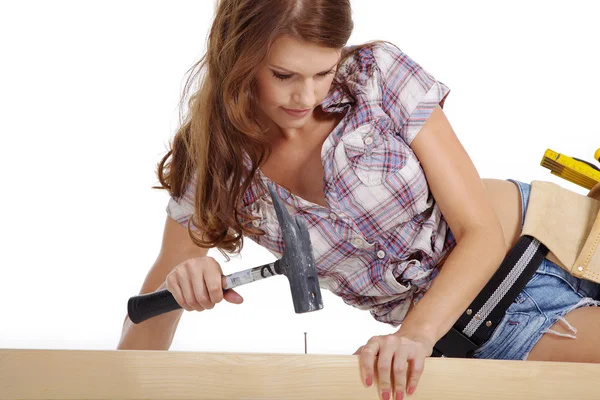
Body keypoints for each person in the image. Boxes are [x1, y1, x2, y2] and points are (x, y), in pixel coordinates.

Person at [117, 0, 600, 399]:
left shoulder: (376, 75)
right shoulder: (210, 166)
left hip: (559, 234)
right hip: (487, 319)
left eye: (323, 72)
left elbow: (479, 231)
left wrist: (412, 336)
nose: (305, 96)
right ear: (236, 58)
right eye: (283, 75)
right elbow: (153, 308)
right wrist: (180, 290)